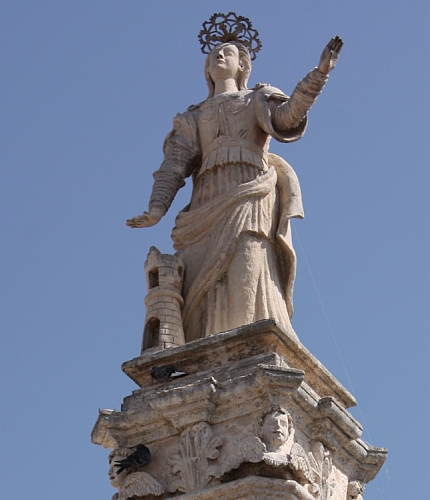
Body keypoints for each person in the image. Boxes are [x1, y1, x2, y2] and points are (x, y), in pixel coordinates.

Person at [127, 36, 343, 342]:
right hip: (205, 203)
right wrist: (156, 209)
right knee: (197, 280)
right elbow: (173, 166)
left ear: (242, 64)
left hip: (249, 191)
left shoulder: (257, 98)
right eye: (212, 54)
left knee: (247, 257)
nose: (217, 57)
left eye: (225, 53)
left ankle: (251, 338)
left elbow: (289, 115)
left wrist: (319, 75)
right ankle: (203, 345)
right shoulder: (193, 116)